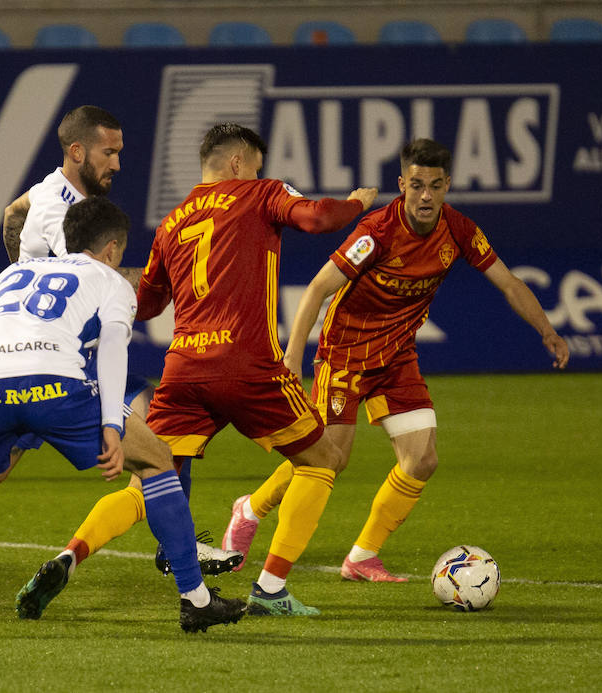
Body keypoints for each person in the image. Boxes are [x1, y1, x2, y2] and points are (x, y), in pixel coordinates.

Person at [0, 197, 246, 638]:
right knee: (156, 459)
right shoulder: (109, 280)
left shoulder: (10, 275)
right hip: (57, 388)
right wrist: (113, 428)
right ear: (112, 248)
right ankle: (196, 600)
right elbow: (114, 349)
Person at [221, 138, 569, 581]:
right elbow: (317, 289)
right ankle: (250, 509)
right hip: (345, 354)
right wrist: (292, 357)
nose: (426, 195)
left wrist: (547, 331)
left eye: (436, 186)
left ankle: (362, 557)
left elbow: (508, 283)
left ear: (448, 186)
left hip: (396, 356)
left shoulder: (458, 229)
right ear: (402, 184)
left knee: (422, 459)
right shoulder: (376, 232)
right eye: (417, 185)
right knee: (328, 458)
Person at [135, 122, 378, 616]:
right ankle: (270, 588)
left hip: (183, 370)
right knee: (323, 459)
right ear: (239, 163)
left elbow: (146, 306)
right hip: (248, 367)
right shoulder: (258, 193)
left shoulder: (171, 222)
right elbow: (316, 217)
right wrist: (357, 205)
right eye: (259, 166)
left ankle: (68, 555)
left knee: (151, 475)